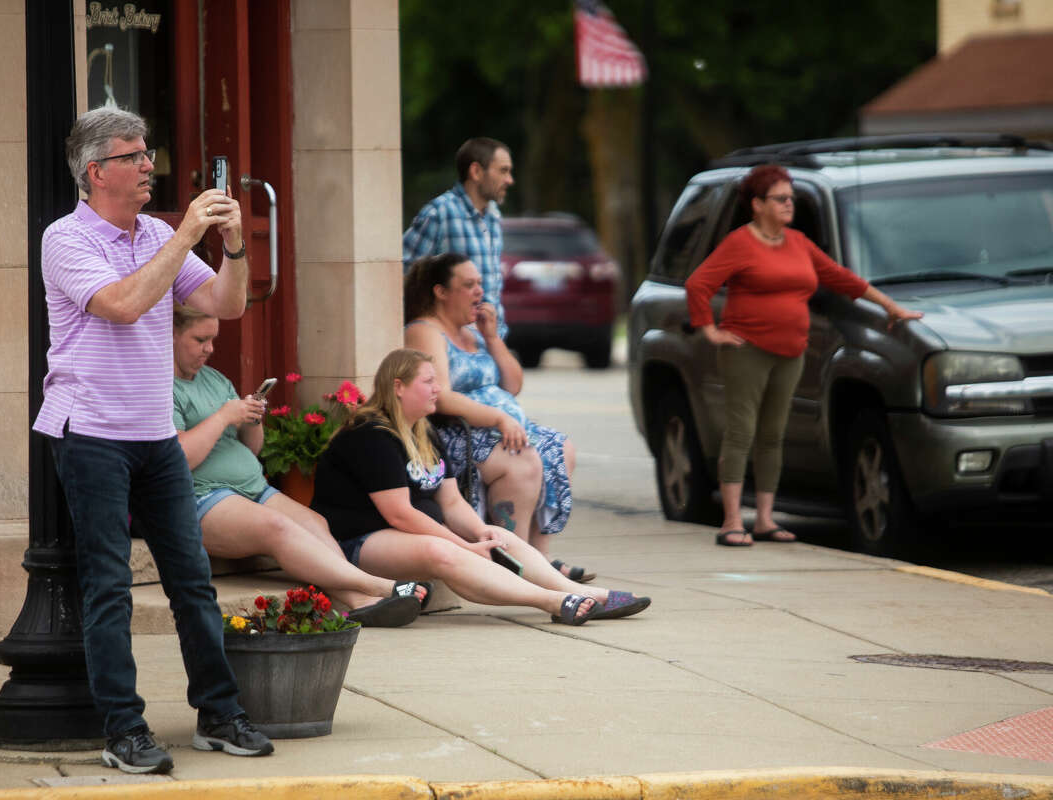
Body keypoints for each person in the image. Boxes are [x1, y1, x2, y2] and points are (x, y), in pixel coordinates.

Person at [33, 108, 272, 775]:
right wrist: (186, 231)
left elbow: (228, 305)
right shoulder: (65, 239)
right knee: (108, 585)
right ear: (96, 170)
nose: (149, 167)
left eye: (148, 154)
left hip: (155, 435)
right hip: (91, 434)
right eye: (135, 156)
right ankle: (124, 730)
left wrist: (231, 244)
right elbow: (123, 305)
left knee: (192, 583)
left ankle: (220, 714)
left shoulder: (157, 237)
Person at [310, 348, 650, 626]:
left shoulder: (424, 432)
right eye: (428, 381)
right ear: (398, 386)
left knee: (498, 536)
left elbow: (452, 503)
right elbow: (400, 515)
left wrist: (479, 533)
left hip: (405, 536)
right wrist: (462, 544)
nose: (437, 389)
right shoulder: (371, 435)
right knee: (442, 551)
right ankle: (553, 601)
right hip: (358, 543)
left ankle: (583, 593)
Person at [685, 164, 923, 547]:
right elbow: (699, 283)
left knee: (772, 435)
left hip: (791, 352)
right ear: (757, 204)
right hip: (747, 351)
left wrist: (889, 307)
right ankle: (732, 520)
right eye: (780, 199)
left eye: (791, 199)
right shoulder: (739, 243)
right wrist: (710, 330)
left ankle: (764, 518)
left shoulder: (798, 243)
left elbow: (842, 278)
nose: (788, 205)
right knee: (741, 431)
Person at [171, 303, 426, 627]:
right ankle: (377, 585)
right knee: (277, 528)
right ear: (172, 335)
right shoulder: (159, 386)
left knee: (314, 523)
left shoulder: (215, 380)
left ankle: (361, 602)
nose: (209, 349)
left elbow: (253, 449)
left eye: (213, 339)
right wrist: (224, 416)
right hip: (204, 497)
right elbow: (178, 459)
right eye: (200, 340)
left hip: (252, 488)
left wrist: (251, 419)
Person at [403, 253, 593, 583]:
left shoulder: (473, 333)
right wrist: (498, 419)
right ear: (441, 292)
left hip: (492, 429)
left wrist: (491, 338)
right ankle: (512, 556)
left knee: (561, 449)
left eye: (480, 283)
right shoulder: (426, 331)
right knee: (522, 461)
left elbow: (513, 384)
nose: (479, 291)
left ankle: (540, 556)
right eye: (468, 285)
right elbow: (442, 396)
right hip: (456, 433)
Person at [403, 137, 514, 338]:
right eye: (503, 171)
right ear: (476, 172)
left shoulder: (494, 216)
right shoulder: (440, 213)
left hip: (492, 342)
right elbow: (403, 275)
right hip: (453, 348)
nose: (509, 180)